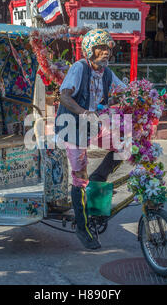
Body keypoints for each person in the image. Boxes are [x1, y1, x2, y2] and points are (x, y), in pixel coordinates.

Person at [55, 29, 126, 250]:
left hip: (93, 124)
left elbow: (121, 91)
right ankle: (82, 229)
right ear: (90, 50)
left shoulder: (106, 73)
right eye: (101, 48)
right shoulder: (79, 68)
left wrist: (137, 95)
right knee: (79, 177)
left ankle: (99, 177)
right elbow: (64, 95)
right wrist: (83, 112)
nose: (106, 53)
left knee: (124, 147)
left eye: (108, 49)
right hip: (73, 125)